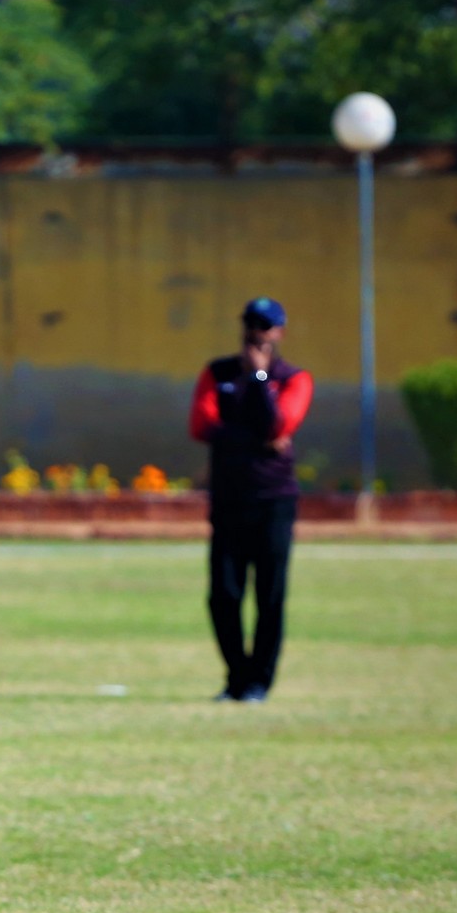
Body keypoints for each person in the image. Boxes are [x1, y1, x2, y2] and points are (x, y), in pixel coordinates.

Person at [188, 296, 314, 704]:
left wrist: (259, 379)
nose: (255, 333)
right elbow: (202, 425)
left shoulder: (292, 378)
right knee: (224, 594)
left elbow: (280, 423)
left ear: (279, 332)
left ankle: (260, 681)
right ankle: (236, 678)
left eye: (264, 325)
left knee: (269, 595)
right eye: (250, 324)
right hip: (229, 498)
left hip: (274, 500)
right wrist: (258, 439)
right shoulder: (218, 373)